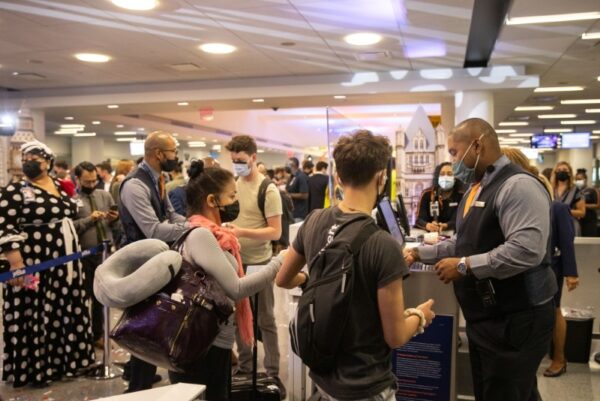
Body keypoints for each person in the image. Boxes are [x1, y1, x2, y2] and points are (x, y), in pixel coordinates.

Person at [404, 118, 556, 401]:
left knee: (506, 391)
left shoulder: (518, 186)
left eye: (453, 152)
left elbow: (526, 250)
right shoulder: (476, 189)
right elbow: (464, 243)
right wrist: (417, 252)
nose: (452, 161)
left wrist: (464, 266)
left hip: (516, 317)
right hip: (486, 318)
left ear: (477, 145)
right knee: (498, 391)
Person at [276, 130, 435, 401]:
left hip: (323, 374)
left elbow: (282, 279)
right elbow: (395, 335)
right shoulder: (383, 244)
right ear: (381, 178)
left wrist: (309, 280)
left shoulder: (314, 221)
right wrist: (419, 317)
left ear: (338, 177)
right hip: (366, 383)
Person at [167, 160, 285, 401]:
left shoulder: (212, 233)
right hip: (202, 346)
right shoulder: (201, 235)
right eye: (232, 196)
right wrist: (279, 262)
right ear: (212, 201)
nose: (235, 202)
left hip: (212, 342)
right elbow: (237, 288)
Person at [0, 141, 95, 388]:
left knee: (61, 309)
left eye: (35, 157)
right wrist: (16, 264)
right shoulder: (16, 190)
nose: (29, 160)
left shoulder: (60, 187)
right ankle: (35, 368)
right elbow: (6, 227)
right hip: (34, 261)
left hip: (64, 261)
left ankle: (62, 363)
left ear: (48, 162)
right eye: (25, 156)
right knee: (34, 309)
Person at [118, 131, 190, 393]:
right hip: (139, 263)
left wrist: (194, 224)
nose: (176, 157)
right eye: (173, 151)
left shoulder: (158, 178)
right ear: (159, 153)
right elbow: (153, 229)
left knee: (152, 323)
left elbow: (170, 215)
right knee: (142, 326)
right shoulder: (135, 185)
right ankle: (136, 387)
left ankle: (144, 377)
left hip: (155, 260)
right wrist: (190, 229)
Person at [501, 148, 579, 378]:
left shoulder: (558, 207)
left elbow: (567, 242)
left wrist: (572, 273)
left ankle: (559, 358)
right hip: (527, 274)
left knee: (555, 312)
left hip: (551, 270)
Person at [224, 135, 285, 395]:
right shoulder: (233, 185)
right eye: (233, 160)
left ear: (253, 157)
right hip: (236, 260)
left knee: (266, 319)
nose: (237, 165)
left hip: (260, 263)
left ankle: (272, 371)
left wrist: (242, 232)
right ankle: (246, 366)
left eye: (241, 160)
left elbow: (275, 232)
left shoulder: (268, 189)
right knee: (239, 318)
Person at [73, 161, 119, 347]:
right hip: (82, 255)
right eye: (87, 181)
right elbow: (70, 227)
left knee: (101, 297)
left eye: (94, 180)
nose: (91, 185)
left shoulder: (105, 195)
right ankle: (81, 334)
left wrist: (114, 219)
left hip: (105, 253)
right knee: (83, 297)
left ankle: (98, 334)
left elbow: (116, 224)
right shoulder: (71, 199)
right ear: (78, 179)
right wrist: (89, 220)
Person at [415, 162, 465, 232]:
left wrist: (445, 225)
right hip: (430, 236)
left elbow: (458, 220)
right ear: (437, 177)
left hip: (452, 236)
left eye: (449, 174)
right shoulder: (427, 194)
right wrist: (427, 225)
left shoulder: (461, 196)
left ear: (455, 178)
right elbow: (419, 220)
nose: (445, 177)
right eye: (442, 174)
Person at [552, 161, 585, 236]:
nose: (561, 172)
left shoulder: (576, 190)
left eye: (564, 170)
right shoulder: (551, 189)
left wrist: (564, 211)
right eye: (559, 170)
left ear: (569, 173)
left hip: (570, 225)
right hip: (554, 225)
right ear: (555, 173)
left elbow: (582, 212)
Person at [575, 169, 599, 237]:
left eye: (580, 179)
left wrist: (583, 205)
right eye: (576, 179)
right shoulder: (575, 191)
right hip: (579, 221)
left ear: (585, 179)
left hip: (590, 220)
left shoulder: (592, 191)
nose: (578, 181)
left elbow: (597, 205)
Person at [285, 157, 309, 222]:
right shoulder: (292, 176)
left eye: (288, 164)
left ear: (294, 165)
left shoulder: (301, 176)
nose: (286, 166)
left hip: (299, 214)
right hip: (292, 212)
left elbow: (305, 195)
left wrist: (289, 195)